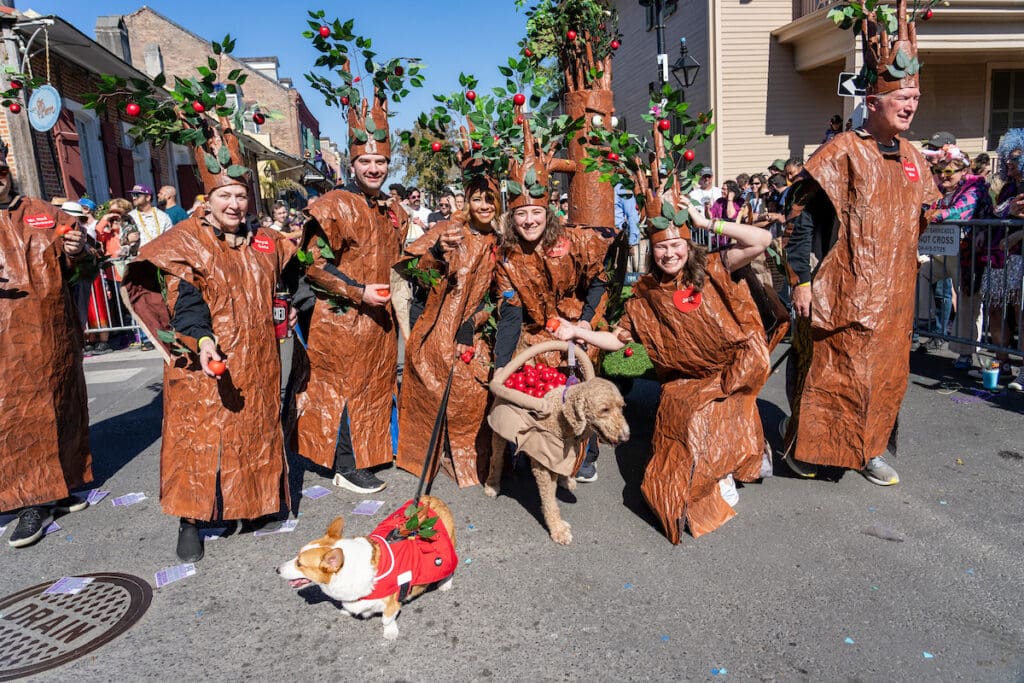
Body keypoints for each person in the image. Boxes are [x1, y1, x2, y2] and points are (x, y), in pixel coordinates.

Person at [550, 196, 773, 541]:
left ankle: (721, 471)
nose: (669, 254)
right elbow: (620, 339)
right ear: (652, 252)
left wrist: (704, 223)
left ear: (687, 245)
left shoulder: (716, 266)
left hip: (733, 370)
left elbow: (762, 240)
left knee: (702, 415)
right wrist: (578, 331)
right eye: (661, 248)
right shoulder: (647, 294)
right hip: (683, 378)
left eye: (676, 245)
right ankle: (699, 479)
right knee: (677, 419)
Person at [782, 3, 941, 486]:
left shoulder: (916, 157)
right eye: (901, 98)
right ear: (873, 101)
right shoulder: (842, 152)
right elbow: (801, 220)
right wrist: (802, 280)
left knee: (883, 380)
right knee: (831, 375)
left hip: (893, 302)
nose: (911, 105)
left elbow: (922, 214)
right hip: (843, 290)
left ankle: (869, 450)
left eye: (915, 97)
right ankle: (804, 445)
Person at [124, 118, 294, 563]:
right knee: (199, 441)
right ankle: (192, 520)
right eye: (225, 195)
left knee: (253, 432)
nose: (234, 204)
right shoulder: (186, 241)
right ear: (208, 198)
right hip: (203, 359)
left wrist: (292, 301)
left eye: (241, 195)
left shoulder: (266, 241)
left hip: (257, 357)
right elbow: (187, 303)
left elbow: (296, 273)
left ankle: (254, 506)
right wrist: (199, 342)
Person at [289, 86, 409, 494]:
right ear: (353, 163)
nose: (373, 168)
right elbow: (313, 265)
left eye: (380, 162)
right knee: (340, 390)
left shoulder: (393, 210)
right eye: (366, 162)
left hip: (380, 321)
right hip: (342, 320)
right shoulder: (334, 204)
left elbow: (401, 261)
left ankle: (367, 453)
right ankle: (344, 463)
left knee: (374, 387)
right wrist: (358, 292)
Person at [492, 158, 611, 483]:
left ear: (547, 213)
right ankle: (543, 451)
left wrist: (586, 323)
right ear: (512, 218)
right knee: (540, 391)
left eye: (535, 212)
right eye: (521, 213)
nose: (529, 220)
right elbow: (512, 314)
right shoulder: (507, 258)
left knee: (581, 393)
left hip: (577, 330)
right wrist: (502, 364)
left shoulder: (576, 242)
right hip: (536, 334)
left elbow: (599, 281)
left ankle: (586, 454)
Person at [0, 150, 95, 548]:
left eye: (1, 171)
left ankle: (58, 487)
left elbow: (89, 263)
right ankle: (29, 501)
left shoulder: (42, 211)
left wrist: (78, 251)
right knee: (17, 416)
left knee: (61, 407)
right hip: (7, 340)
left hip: (54, 332)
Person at [396, 172, 499, 487]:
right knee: (431, 389)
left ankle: (470, 459)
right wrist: (437, 252)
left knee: (472, 392)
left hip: (474, 328)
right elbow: (408, 268)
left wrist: (474, 323)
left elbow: (503, 294)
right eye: (477, 199)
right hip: (435, 326)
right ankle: (435, 454)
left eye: (489, 199)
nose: (484, 205)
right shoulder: (449, 230)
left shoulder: (501, 239)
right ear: (466, 202)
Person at [919, 144, 993, 366]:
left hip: (972, 254)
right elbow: (928, 206)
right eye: (938, 171)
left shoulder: (975, 188)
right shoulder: (943, 191)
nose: (942, 175)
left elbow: (961, 211)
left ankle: (965, 353)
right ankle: (925, 318)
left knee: (967, 300)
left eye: (948, 171)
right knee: (920, 271)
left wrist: (932, 215)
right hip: (947, 251)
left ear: (963, 171)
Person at [981, 129, 1024, 384]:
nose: (1009, 162)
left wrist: (1016, 237)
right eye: (1007, 157)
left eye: (1015, 158)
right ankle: (1001, 361)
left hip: (1019, 256)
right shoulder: (1006, 187)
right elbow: (993, 211)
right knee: (995, 308)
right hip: (998, 256)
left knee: (1021, 312)